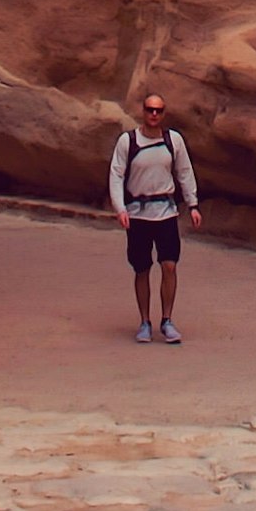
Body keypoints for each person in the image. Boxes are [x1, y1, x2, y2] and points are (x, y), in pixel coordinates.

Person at [107, 91, 201, 343]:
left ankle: (167, 320)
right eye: (150, 110)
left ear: (164, 113)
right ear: (143, 111)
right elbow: (116, 175)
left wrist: (192, 204)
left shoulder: (174, 141)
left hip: (166, 213)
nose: (154, 115)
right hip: (138, 215)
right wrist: (121, 209)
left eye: (158, 111)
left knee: (169, 265)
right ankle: (145, 321)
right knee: (142, 268)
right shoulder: (128, 142)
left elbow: (184, 172)